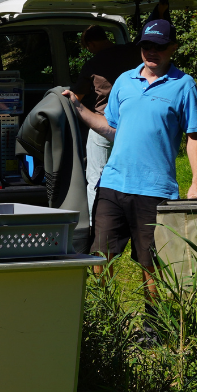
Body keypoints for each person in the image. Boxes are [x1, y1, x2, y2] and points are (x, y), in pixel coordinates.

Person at [64, 19, 197, 312]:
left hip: (155, 188)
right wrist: (78, 107)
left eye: (160, 46)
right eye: (147, 45)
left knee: (152, 262)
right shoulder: (124, 80)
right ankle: (105, 315)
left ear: (173, 48)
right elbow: (112, 127)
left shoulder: (184, 85)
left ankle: (152, 323)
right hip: (113, 183)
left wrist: (196, 181)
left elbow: (193, 137)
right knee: (101, 257)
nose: (152, 51)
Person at [73, 25, 143, 213]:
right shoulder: (133, 51)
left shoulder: (93, 64)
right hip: (134, 124)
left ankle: (93, 225)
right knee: (132, 175)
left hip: (103, 124)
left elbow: (77, 97)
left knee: (96, 177)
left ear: (92, 44)